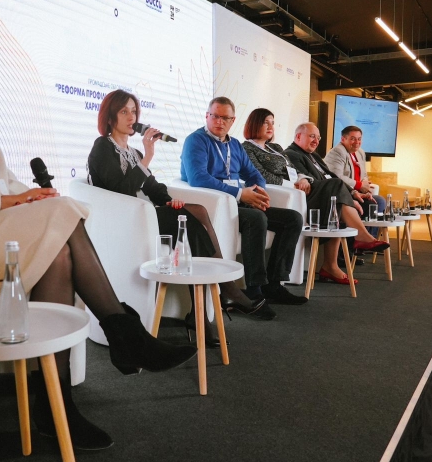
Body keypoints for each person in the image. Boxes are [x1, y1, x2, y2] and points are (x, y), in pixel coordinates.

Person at [0, 30, 196, 452]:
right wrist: (10, 200)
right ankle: (123, 332)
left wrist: (31, 195)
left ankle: (56, 404)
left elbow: (6, 181)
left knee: (59, 253)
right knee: (64, 213)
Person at [87, 91, 275, 343]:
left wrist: (168, 201)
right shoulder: (102, 146)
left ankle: (204, 310)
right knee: (191, 221)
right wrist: (148, 157)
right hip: (124, 220)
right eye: (124, 112)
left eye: (134, 111)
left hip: (142, 216)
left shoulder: (132, 152)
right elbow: (119, 190)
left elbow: (152, 187)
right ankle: (222, 295)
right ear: (110, 117)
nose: (132, 117)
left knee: (196, 213)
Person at [180, 97, 306, 305]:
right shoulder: (196, 141)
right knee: (256, 218)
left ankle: (274, 284)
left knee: (292, 219)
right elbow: (198, 178)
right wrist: (240, 194)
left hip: (238, 203)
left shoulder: (235, 145)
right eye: (215, 116)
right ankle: (254, 290)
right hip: (215, 206)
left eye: (225, 118)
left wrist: (258, 192)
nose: (220, 122)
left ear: (233, 121)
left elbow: (254, 174)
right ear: (207, 116)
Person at [243, 109, 361, 285]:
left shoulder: (275, 147)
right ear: (254, 124)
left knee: (336, 197)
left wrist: (302, 178)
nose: (270, 127)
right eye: (265, 122)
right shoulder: (247, 148)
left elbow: (293, 169)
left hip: (298, 189)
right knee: (335, 187)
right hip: (285, 193)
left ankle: (334, 260)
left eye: (272, 123)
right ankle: (359, 238)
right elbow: (262, 176)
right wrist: (294, 186)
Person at [284, 123, 390, 271]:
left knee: (365, 201)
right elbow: (310, 181)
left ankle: (339, 260)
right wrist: (350, 198)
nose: (316, 141)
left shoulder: (313, 155)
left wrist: (353, 193)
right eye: (312, 136)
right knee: (337, 189)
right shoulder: (292, 154)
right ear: (298, 136)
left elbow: (331, 176)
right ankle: (358, 240)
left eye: (318, 138)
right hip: (313, 201)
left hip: (331, 196)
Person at [323, 125, 386, 235]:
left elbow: (364, 174)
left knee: (379, 201)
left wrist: (365, 184)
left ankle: (369, 238)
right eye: (353, 139)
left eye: (359, 139)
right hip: (344, 194)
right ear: (343, 139)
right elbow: (337, 177)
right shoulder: (337, 152)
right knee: (375, 203)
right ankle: (363, 238)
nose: (357, 142)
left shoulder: (360, 152)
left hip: (358, 192)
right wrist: (359, 185)